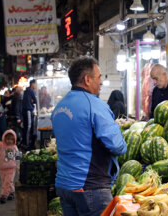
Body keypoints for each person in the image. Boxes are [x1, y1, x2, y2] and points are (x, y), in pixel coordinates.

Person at [51, 57, 127, 216]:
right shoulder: (95, 105)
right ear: (87, 79)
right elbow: (117, 146)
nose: (101, 82)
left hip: (64, 185)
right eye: (99, 77)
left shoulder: (59, 107)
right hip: (90, 188)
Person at [0, 129, 19, 204]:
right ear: (4, 138)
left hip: (11, 168)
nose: (9, 141)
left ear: (14, 140)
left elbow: (18, 156)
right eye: (7, 139)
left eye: (11, 139)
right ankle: (12, 192)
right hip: (2, 168)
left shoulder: (14, 147)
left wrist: (18, 165)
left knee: (7, 182)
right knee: (5, 181)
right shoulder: (1, 146)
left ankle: (4, 195)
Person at [22, 80, 37, 149]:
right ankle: (27, 144)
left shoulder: (26, 90)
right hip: (28, 110)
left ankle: (25, 142)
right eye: (35, 84)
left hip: (25, 110)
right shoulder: (31, 90)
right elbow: (36, 100)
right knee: (28, 126)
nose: (36, 86)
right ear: (32, 84)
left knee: (26, 126)